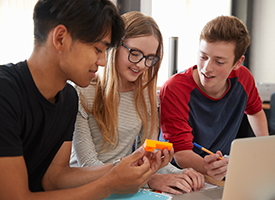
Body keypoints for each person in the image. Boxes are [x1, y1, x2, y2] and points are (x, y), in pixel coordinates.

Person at [0, 1, 172, 199]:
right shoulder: (5, 92)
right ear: (60, 38)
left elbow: (55, 178)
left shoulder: (68, 98)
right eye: (98, 49)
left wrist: (122, 168)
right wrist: (110, 183)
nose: (102, 61)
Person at [70, 11, 205, 195]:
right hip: (85, 189)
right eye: (135, 53)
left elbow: (148, 161)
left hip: (126, 186)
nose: (142, 65)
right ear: (115, 46)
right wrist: (148, 179)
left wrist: (184, 174)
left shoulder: (146, 96)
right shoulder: (82, 91)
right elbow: (88, 164)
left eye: (150, 58)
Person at [159, 15, 269, 182]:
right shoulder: (175, 88)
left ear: (238, 62)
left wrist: (266, 148)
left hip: (219, 172)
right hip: (179, 173)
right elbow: (181, 153)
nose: (207, 68)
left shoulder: (243, 78)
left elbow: (255, 111)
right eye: (203, 57)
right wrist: (208, 167)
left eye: (219, 62)